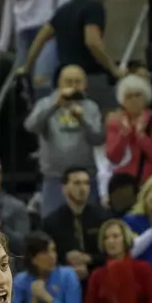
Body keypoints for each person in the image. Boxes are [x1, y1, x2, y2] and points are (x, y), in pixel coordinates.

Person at [23, 0, 122, 104]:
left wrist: (27, 66)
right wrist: (113, 68)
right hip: (89, 76)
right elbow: (92, 42)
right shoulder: (94, 7)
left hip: (64, 76)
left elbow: (41, 38)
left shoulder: (64, 9)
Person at [25, 64, 105, 217]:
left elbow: (98, 138)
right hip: (54, 178)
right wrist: (55, 105)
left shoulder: (91, 107)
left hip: (85, 178)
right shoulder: (45, 104)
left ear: (85, 84)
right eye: (68, 82)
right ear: (59, 84)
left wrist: (83, 119)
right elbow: (31, 126)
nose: (73, 86)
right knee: (51, 224)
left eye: (78, 82)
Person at [0, 0, 69, 97]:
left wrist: (62, 25)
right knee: (26, 83)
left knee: (42, 79)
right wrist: (3, 41)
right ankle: (34, 117)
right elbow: (10, 3)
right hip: (23, 31)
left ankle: (47, 117)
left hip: (45, 29)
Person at [39, 165, 109, 281]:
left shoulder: (102, 217)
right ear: (64, 188)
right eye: (77, 183)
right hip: (62, 279)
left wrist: (89, 258)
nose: (83, 188)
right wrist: (66, 260)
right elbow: (43, 256)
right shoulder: (51, 222)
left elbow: (113, 252)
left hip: (99, 276)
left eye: (86, 183)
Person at [105, 73, 152, 185]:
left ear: (146, 97)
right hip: (123, 183)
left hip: (150, 181)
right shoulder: (115, 122)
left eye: (138, 95)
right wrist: (123, 135)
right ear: (122, 100)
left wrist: (142, 137)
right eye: (129, 96)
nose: (134, 99)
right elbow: (113, 157)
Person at [12, 230, 81, 303]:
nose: (52, 256)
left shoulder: (68, 275)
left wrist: (48, 299)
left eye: (53, 250)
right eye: (45, 252)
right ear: (33, 258)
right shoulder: (20, 281)